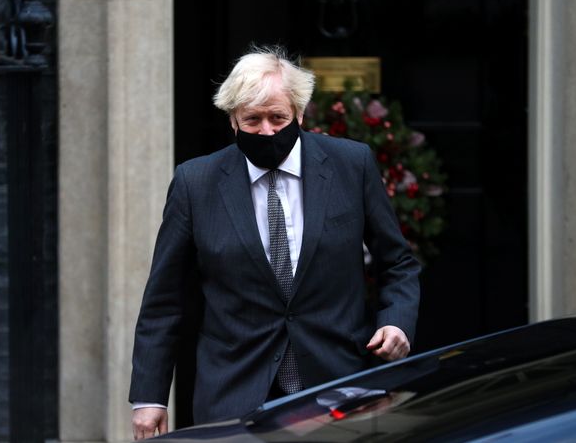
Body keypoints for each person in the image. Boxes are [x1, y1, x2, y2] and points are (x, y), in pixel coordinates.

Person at [129, 47, 421, 439]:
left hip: (338, 383)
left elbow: (397, 262)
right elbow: (164, 298)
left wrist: (396, 322)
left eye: (278, 117)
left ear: (300, 114)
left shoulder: (351, 165)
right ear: (233, 120)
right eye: (252, 119)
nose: (267, 130)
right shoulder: (194, 183)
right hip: (233, 391)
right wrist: (150, 397)